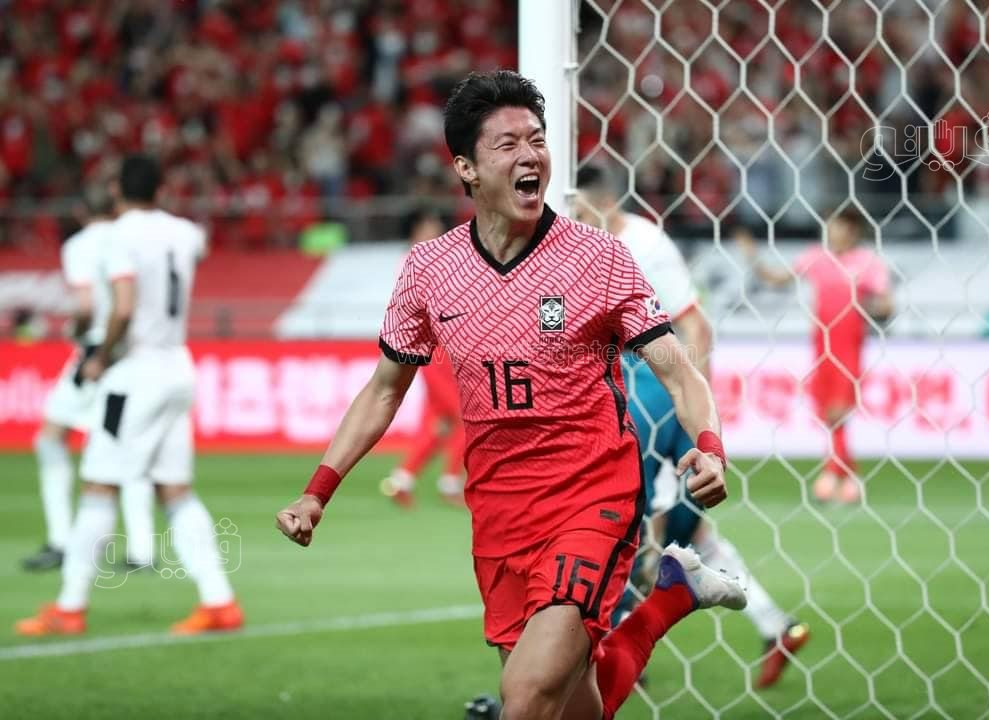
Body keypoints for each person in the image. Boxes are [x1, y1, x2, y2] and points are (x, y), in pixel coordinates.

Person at [276, 70, 746, 720]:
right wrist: (317, 490)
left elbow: (677, 369)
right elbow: (384, 390)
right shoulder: (429, 270)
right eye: (508, 144)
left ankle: (662, 596)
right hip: (499, 513)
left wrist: (711, 446)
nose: (531, 155)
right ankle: (669, 598)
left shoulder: (598, 258)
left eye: (537, 140)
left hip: (592, 496)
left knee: (523, 698)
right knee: (568, 708)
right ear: (466, 168)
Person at [574, 165, 809, 689]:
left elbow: (695, 324)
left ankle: (612, 646)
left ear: (606, 205)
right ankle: (775, 624)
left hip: (653, 390)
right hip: (633, 387)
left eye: (583, 213)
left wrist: (696, 415)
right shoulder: (589, 244)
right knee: (686, 529)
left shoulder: (645, 245)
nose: (577, 222)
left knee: (625, 519)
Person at [16, 155, 243, 636]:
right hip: (177, 365)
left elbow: (122, 305)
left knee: (99, 485)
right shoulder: (184, 232)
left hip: (135, 371)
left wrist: (101, 355)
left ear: (118, 190)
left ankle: (70, 607)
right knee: (175, 490)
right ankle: (220, 601)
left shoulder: (117, 236)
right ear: (161, 190)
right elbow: (198, 250)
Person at [22, 188, 156, 573]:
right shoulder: (128, 238)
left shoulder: (80, 245)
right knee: (124, 445)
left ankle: (62, 540)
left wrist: (75, 328)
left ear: (81, 211)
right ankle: (142, 548)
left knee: (50, 439)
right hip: (133, 352)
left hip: (98, 352)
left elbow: (86, 304)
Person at [737, 210, 893, 504]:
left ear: (852, 230)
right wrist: (752, 256)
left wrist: (864, 306)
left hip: (850, 345)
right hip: (822, 344)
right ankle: (848, 479)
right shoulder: (816, 257)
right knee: (826, 413)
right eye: (829, 226)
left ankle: (831, 474)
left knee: (838, 412)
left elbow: (887, 306)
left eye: (837, 227)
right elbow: (776, 279)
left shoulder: (868, 262)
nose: (831, 232)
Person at [380, 209, 467, 508]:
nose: (434, 231)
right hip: (439, 349)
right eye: (428, 226)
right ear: (415, 231)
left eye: (436, 226)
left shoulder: (419, 260)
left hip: (431, 348)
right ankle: (451, 481)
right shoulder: (421, 261)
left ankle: (401, 480)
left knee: (438, 419)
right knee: (465, 414)